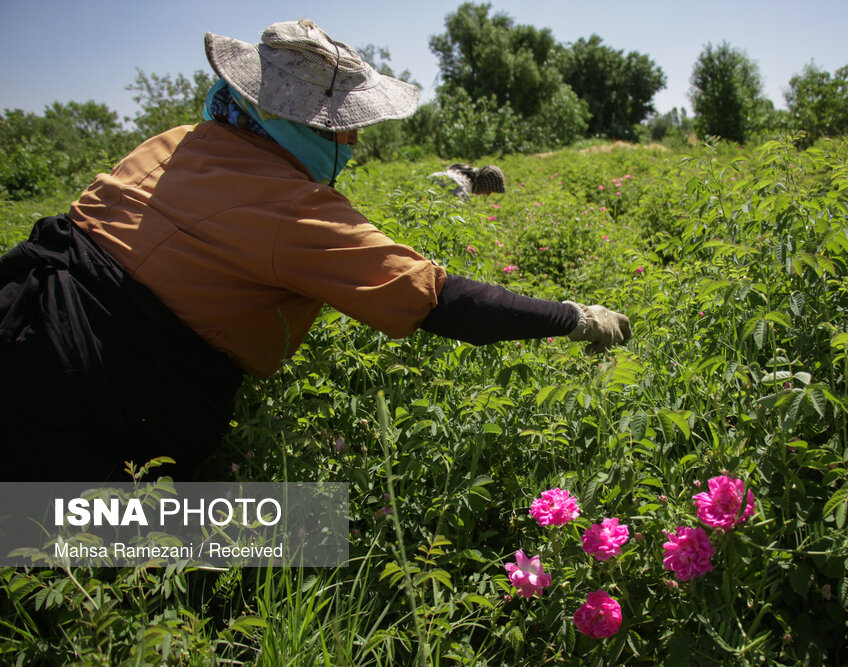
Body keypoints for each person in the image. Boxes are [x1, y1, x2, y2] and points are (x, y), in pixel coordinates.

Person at [0, 19, 630, 482]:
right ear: (303, 123)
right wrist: (572, 317)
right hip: (90, 406)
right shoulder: (294, 209)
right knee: (289, 534)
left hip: (19, 331)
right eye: (344, 125)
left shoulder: (173, 141)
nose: (353, 141)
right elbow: (436, 300)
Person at [430, 163, 506, 198]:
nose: (488, 194)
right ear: (484, 184)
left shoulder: (460, 173)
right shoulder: (462, 188)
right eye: (489, 190)